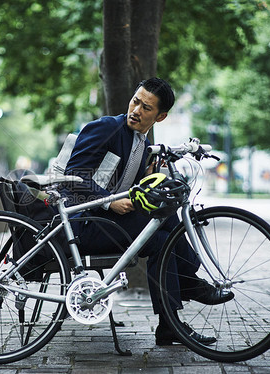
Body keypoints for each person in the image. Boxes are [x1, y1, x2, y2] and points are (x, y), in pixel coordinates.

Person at [64, 77, 234, 346]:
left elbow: (123, 181)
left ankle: (170, 324)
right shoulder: (107, 128)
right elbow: (72, 176)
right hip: (83, 223)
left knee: (162, 235)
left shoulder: (141, 143)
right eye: (135, 101)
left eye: (146, 108)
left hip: (106, 222)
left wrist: (148, 175)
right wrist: (108, 201)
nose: (136, 110)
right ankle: (191, 285)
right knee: (162, 224)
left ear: (161, 116)